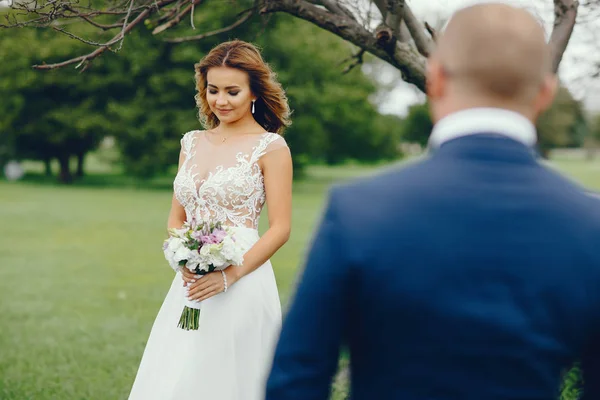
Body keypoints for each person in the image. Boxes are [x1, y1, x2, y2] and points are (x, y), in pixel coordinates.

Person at [266, 4, 600, 399]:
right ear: (547, 91)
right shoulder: (589, 225)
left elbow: (297, 378)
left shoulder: (358, 209)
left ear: (436, 77)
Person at [128, 40, 293, 400]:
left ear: (254, 92)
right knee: (181, 370)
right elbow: (177, 217)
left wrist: (228, 275)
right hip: (190, 281)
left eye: (232, 91)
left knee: (231, 377)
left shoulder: (270, 147)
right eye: (213, 90)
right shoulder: (191, 142)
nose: (221, 100)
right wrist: (183, 257)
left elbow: (280, 228)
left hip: (243, 277)